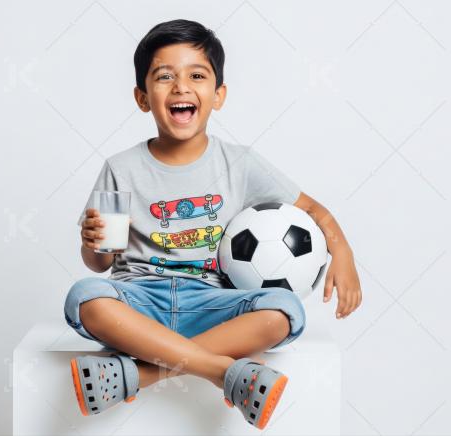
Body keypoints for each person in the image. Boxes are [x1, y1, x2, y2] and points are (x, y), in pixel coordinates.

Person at [64, 19, 361, 429]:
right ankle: (222, 373)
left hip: (211, 303)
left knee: (285, 310)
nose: (181, 87)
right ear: (142, 97)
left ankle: (141, 374)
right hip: (139, 301)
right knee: (85, 297)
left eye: (197, 76)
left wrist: (342, 251)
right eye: (164, 76)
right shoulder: (122, 168)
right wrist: (95, 244)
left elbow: (315, 210)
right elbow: (98, 265)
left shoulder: (238, 163)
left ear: (217, 95)